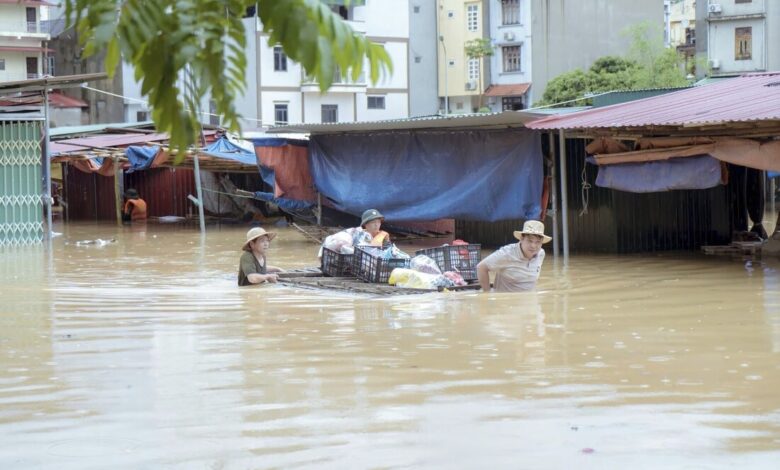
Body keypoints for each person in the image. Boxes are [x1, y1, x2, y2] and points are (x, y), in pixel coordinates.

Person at [476, 220, 552, 292]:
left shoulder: (541, 254)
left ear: (542, 243)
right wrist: (487, 293)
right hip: (507, 303)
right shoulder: (507, 253)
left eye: (538, 242)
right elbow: (481, 267)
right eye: (530, 241)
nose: (533, 246)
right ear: (522, 239)